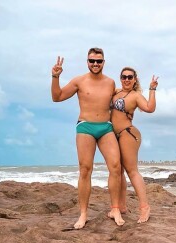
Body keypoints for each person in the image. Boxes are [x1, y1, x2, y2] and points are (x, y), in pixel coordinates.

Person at [51, 47, 125, 229]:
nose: (95, 64)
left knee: (116, 166)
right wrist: (55, 77)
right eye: (92, 61)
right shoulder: (79, 81)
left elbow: (122, 102)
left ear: (103, 63)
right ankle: (83, 214)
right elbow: (57, 97)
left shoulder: (110, 82)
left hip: (106, 127)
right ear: (87, 62)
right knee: (85, 169)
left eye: (98, 61)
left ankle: (115, 209)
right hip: (85, 127)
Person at [110, 67, 158, 223]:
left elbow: (150, 108)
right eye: (124, 77)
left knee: (132, 171)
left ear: (135, 79)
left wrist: (152, 89)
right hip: (113, 135)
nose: (126, 80)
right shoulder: (115, 92)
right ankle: (121, 206)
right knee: (118, 171)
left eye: (130, 77)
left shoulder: (136, 96)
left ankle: (145, 208)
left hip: (128, 134)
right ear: (120, 78)